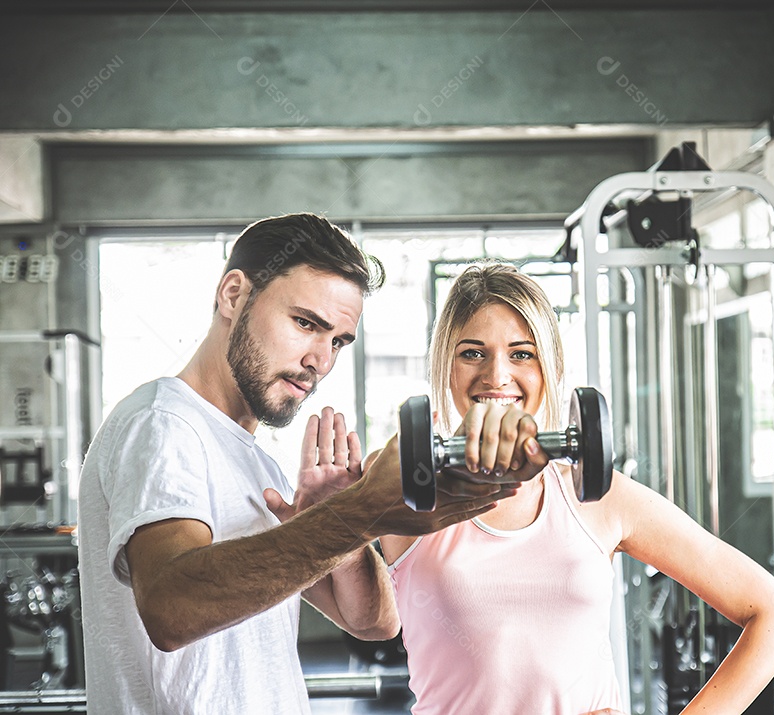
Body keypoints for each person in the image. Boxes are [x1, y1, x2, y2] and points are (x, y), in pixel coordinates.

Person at [76, 215, 547, 714]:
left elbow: (374, 622)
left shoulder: (260, 464)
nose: (320, 360)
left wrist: (339, 518)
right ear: (233, 295)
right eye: (306, 323)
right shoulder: (162, 423)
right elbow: (172, 609)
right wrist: (359, 512)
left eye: (339, 341)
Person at [378, 263, 774, 715]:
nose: (497, 375)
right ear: (444, 366)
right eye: (472, 353)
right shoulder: (399, 492)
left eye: (522, 354)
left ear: (551, 368)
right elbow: (362, 613)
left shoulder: (599, 498)